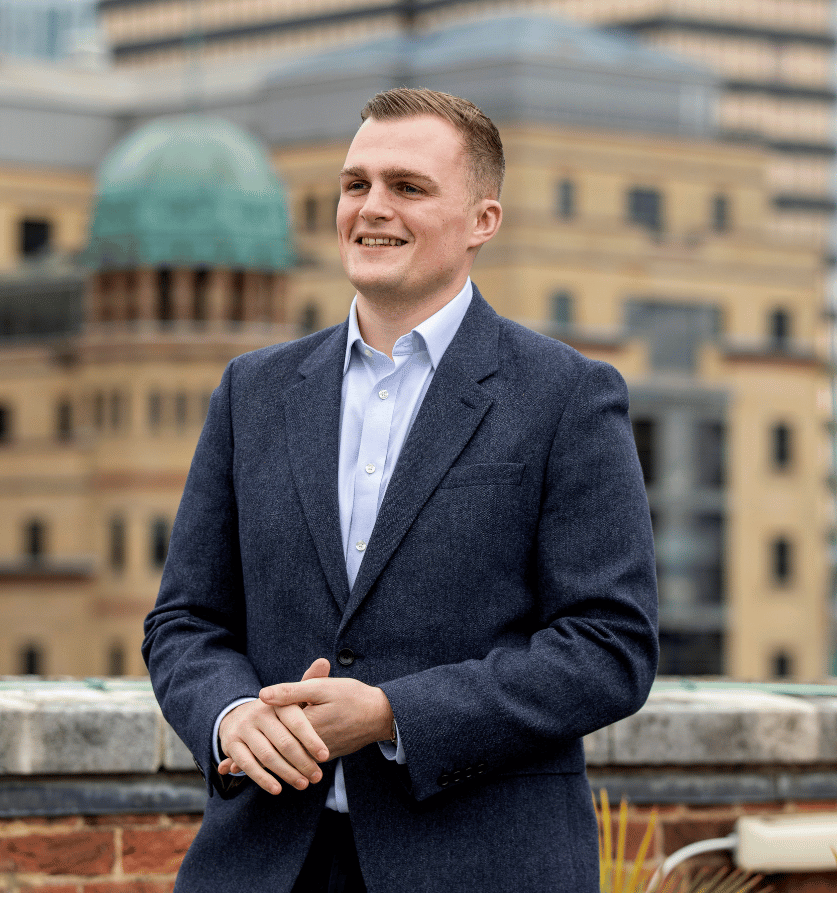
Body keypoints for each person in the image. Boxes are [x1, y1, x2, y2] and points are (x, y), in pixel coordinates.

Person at [143, 87, 658, 892]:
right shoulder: (253, 391)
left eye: (408, 187)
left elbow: (609, 646)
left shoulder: (567, 397)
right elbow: (186, 620)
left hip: (480, 867)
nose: (372, 207)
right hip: (265, 861)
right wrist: (230, 715)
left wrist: (392, 715)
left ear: (483, 220)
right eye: (356, 184)